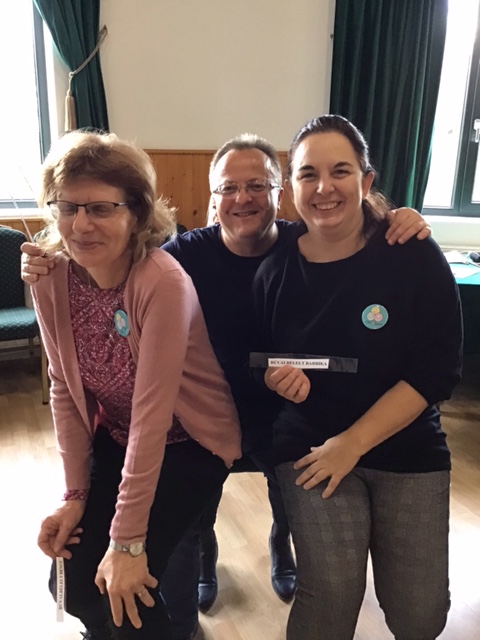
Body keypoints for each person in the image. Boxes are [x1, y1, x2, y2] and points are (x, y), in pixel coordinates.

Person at [21, 133, 431, 639]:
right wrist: (79, 497)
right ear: (212, 198)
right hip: (197, 408)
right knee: (170, 547)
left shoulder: (306, 247)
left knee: (287, 499)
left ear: (280, 191)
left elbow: (355, 243)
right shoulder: (180, 256)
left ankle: (280, 544)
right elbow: (90, 345)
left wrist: (394, 218)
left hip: (278, 412)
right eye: (228, 188)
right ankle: (200, 562)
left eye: (257, 185)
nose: (242, 198)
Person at [250, 115, 463, 640]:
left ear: (366, 181)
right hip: (309, 449)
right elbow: (260, 360)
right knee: (330, 597)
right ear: (290, 188)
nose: (324, 188)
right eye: (308, 174)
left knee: (420, 615)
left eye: (340, 171)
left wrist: (352, 443)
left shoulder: (412, 254)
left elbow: (437, 373)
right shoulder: (274, 271)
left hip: (407, 447)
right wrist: (275, 378)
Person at [30, 130, 241, 640]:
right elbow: (63, 390)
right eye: (68, 207)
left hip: (190, 443)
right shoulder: (49, 277)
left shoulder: (161, 282)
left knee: (125, 592)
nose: (81, 224)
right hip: (119, 436)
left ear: (137, 214)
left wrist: (125, 543)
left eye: (101, 208)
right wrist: (75, 495)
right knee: (70, 587)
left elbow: (153, 415)